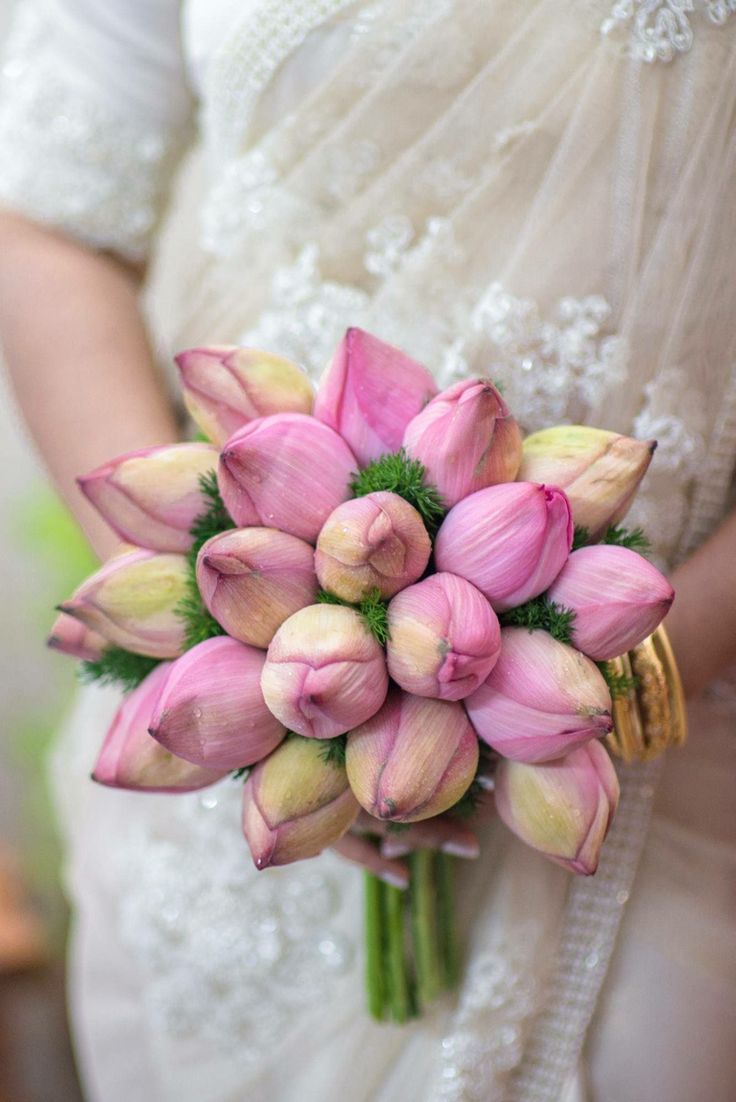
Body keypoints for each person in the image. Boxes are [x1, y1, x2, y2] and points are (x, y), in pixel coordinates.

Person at [0, 2, 735, 1099]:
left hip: (655, 736)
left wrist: (610, 673)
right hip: (239, 759)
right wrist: (223, 629)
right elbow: (49, 214)